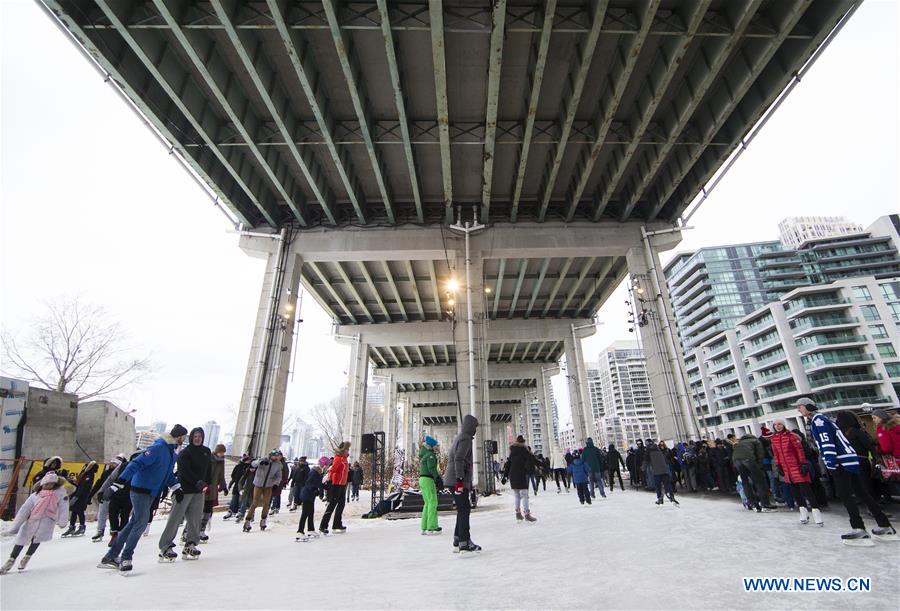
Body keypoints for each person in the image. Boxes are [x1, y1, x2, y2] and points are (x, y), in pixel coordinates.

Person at [794, 398, 896, 545]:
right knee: (861, 492)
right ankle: (885, 525)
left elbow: (826, 442)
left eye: (800, 407)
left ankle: (858, 528)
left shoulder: (818, 421)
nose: (799, 409)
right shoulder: (823, 419)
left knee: (845, 494)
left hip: (841, 461)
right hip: (849, 459)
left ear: (808, 406)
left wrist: (830, 463)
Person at [99, 424, 186, 573]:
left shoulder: (171, 453)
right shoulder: (158, 448)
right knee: (140, 523)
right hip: (140, 490)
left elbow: (167, 474)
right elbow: (135, 463)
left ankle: (111, 556)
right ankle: (126, 558)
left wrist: (177, 487)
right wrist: (119, 482)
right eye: (183, 437)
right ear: (179, 436)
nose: (184, 440)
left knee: (134, 523)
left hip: (151, 492)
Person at [0, 473, 70, 575]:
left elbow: (64, 508)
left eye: (51, 484)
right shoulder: (35, 495)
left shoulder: (60, 494)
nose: (49, 486)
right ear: (42, 484)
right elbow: (25, 509)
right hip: (32, 520)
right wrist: (16, 525)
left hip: (47, 520)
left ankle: (27, 556)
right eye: (47, 484)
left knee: (37, 539)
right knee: (21, 539)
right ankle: (11, 559)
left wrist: (62, 521)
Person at [158, 427, 210, 561]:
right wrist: (196, 482)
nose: (197, 438)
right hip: (184, 490)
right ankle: (165, 546)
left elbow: (208, 469)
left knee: (195, 519)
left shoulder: (206, 451)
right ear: (191, 437)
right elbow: (183, 471)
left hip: (199, 491)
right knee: (175, 519)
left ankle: (191, 544)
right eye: (195, 436)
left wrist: (207, 483)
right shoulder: (185, 452)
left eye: (200, 436)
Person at [770, 419, 822, 526]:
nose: (777, 426)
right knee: (795, 491)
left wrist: (803, 463)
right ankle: (803, 511)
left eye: (779, 424)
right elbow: (776, 453)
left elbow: (799, 450)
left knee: (806, 490)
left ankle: (816, 511)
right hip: (786, 468)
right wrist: (778, 465)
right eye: (775, 425)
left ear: (783, 425)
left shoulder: (791, 436)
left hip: (796, 466)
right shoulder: (774, 438)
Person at [444, 414, 480, 553]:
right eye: (475, 427)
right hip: (457, 480)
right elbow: (459, 458)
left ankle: (458, 539)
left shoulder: (460, 437)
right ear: (470, 427)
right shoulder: (465, 439)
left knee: (462, 509)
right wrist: (460, 479)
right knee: (465, 509)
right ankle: (464, 543)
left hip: (453, 479)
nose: (475, 430)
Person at [835, 411, 880, 501]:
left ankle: (864, 501)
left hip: (848, 461)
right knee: (867, 482)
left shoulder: (839, 434)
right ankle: (874, 502)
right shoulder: (856, 432)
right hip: (862, 459)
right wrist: (876, 458)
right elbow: (869, 446)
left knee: (858, 483)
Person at [731, 432, 776, 512]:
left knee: (745, 482)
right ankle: (765, 504)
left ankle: (752, 504)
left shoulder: (740, 443)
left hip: (736, 461)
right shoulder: (755, 441)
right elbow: (760, 454)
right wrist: (759, 466)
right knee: (759, 481)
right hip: (749, 460)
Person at [242, 449, 285, 533]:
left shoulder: (278, 464)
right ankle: (247, 520)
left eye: (278, 456)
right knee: (254, 503)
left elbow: (278, 476)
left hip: (268, 486)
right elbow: (253, 464)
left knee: (266, 503)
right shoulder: (264, 459)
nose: (276, 458)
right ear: (271, 455)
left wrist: (276, 484)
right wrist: (259, 462)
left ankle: (263, 520)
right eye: (275, 456)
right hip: (258, 484)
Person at [96, 453, 131, 546]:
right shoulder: (121, 467)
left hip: (129, 496)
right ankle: (114, 533)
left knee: (125, 515)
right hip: (116, 494)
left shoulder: (139, 468)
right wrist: (101, 492)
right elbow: (110, 480)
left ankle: (122, 534)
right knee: (112, 514)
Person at [503, 435, 537, 523]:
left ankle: (518, 514)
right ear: (523, 443)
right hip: (521, 475)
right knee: (525, 495)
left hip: (513, 476)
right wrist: (544, 466)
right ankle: (527, 514)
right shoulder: (524, 450)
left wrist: (505, 476)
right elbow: (533, 460)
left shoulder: (512, 452)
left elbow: (508, 465)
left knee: (517, 496)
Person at [199, 444, 228, 542]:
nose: (222, 454)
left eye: (223, 452)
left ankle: (201, 530)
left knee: (208, 510)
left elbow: (221, 475)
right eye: (220, 452)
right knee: (199, 510)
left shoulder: (221, 461)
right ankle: (189, 531)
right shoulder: (208, 458)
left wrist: (224, 486)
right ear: (216, 451)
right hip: (204, 487)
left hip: (213, 489)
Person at [319, 442, 350, 535]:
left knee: (341, 504)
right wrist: (328, 479)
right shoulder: (338, 458)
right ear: (343, 450)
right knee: (332, 505)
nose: (348, 451)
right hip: (336, 485)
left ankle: (337, 524)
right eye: (347, 450)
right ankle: (323, 526)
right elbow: (333, 469)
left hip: (342, 484)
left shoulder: (344, 459)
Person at [60, 461, 97, 538]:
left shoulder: (89, 476)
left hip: (82, 496)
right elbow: (78, 484)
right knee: (74, 510)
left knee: (80, 511)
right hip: (78, 494)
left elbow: (83, 487)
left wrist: (76, 496)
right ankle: (72, 527)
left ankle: (82, 527)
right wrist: (68, 478)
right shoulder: (84, 474)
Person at [296, 458, 327, 542]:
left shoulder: (319, 473)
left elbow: (319, 483)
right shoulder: (314, 472)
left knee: (310, 513)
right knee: (305, 513)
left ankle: (310, 529)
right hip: (307, 495)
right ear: (323, 464)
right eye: (326, 465)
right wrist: (314, 489)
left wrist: (323, 489)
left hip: (310, 496)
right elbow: (309, 482)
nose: (327, 467)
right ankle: (300, 531)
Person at [88, 456, 119, 542]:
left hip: (116, 497)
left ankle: (114, 531)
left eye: (114, 463)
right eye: (111, 463)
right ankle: (100, 531)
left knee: (115, 515)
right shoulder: (106, 473)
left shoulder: (121, 473)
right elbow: (99, 483)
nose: (112, 465)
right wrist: (92, 494)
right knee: (102, 513)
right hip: (105, 496)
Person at [418, 436, 442, 534]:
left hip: (422, 479)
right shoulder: (430, 455)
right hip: (428, 479)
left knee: (427, 503)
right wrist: (437, 478)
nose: (437, 448)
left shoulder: (424, 454)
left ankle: (424, 526)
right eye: (436, 446)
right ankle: (432, 527)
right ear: (431, 446)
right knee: (433, 502)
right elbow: (432, 468)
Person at [647, 442, 678, 506]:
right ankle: (670, 496)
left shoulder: (649, 454)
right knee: (667, 484)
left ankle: (660, 498)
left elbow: (646, 461)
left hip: (657, 472)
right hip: (665, 470)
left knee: (658, 486)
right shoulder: (661, 452)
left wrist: (642, 468)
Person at [224, 454, 252, 520]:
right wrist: (230, 484)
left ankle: (241, 512)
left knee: (242, 499)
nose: (248, 461)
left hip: (244, 486)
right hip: (236, 486)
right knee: (234, 498)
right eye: (247, 460)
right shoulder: (238, 466)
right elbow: (233, 476)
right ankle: (231, 511)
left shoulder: (249, 468)